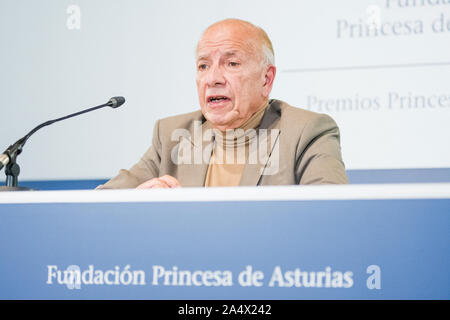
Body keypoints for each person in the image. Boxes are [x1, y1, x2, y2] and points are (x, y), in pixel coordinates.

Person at [97, 19, 348, 189]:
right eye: (203, 66)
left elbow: (332, 213)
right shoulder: (173, 135)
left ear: (266, 79)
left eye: (232, 63)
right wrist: (137, 203)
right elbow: (99, 203)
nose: (213, 79)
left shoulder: (306, 132)